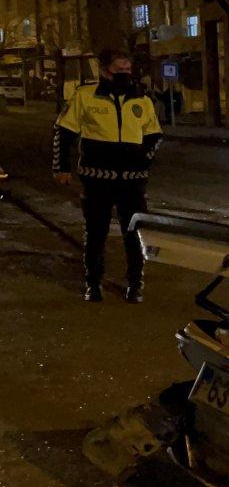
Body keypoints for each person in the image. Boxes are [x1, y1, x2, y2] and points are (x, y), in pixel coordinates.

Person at [52, 48, 163, 303]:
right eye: (118, 70)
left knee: (135, 234)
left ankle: (135, 285)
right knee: (96, 233)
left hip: (132, 182)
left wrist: (143, 161)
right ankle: (93, 284)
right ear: (104, 70)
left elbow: (154, 136)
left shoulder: (141, 100)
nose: (124, 75)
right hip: (97, 179)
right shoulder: (85, 96)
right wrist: (62, 167)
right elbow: (64, 132)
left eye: (127, 70)